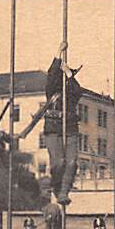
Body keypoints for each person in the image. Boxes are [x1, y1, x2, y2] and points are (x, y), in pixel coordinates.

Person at [43, 41, 83, 206]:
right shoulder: (51, 90)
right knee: (59, 162)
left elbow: (77, 91)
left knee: (72, 162)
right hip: (53, 127)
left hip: (71, 127)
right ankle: (57, 187)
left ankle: (64, 193)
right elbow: (52, 75)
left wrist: (69, 73)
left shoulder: (72, 90)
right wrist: (59, 52)